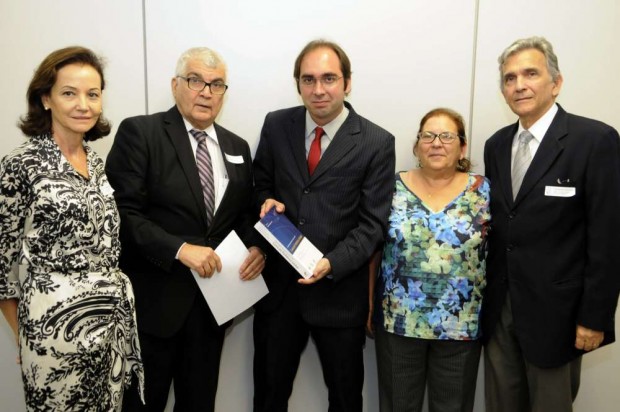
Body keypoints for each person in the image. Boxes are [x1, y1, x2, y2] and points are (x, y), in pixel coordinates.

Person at [105, 47, 265, 412]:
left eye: (216, 84)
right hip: (154, 306)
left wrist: (255, 248)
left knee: (199, 404)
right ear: (175, 84)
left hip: (213, 307)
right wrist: (179, 249)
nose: (206, 92)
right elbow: (122, 214)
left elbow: (241, 215)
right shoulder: (141, 133)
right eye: (196, 81)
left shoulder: (237, 147)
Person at [252, 39, 395, 412]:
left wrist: (332, 263)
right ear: (298, 84)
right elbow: (260, 184)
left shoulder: (376, 142)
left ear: (347, 82)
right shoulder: (276, 125)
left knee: (345, 400)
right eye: (308, 79)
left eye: (329, 78)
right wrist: (265, 201)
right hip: (279, 294)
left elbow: (373, 224)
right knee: (268, 397)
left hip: (338, 294)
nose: (318, 89)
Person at [0, 46, 144, 411]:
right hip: (53, 335)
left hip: (109, 331)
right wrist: (25, 335)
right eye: (69, 93)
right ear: (45, 98)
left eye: (92, 94)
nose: (84, 105)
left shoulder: (95, 162)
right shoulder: (21, 164)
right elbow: (2, 267)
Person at [482, 36, 620, 412]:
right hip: (500, 309)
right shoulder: (496, 145)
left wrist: (594, 317)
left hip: (558, 314)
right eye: (510, 78)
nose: (519, 85)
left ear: (556, 83)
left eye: (531, 74)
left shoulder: (595, 140)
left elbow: (608, 240)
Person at [369, 108, 490, 412]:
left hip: (461, 326)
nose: (436, 143)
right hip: (398, 323)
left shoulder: (483, 190)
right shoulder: (391, 187)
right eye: (428, 136)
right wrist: (368, 304)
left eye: (447, 136)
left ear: (462, 147)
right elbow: (373, 249)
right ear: (417, 146)